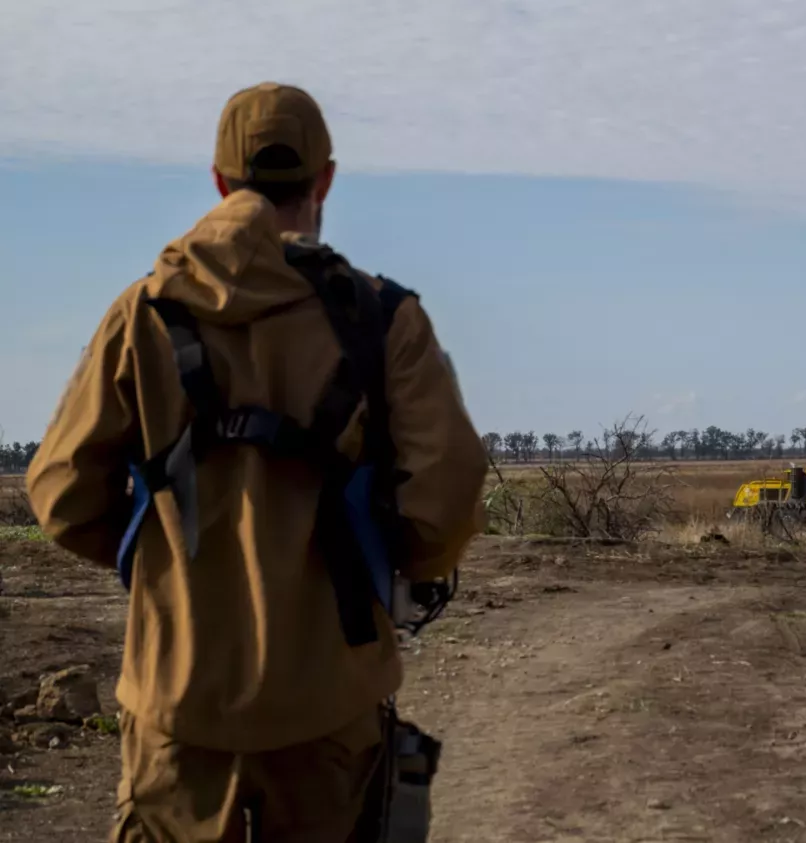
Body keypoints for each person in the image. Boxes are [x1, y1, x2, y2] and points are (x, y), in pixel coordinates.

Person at [25, 82, 489, 842]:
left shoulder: (143, 314)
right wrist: (372, 563)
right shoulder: (383, 318)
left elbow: (63, 494)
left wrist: (165, 560)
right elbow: (445, 501)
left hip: (175, 714)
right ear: (325, 181)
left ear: (218, 181)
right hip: (331, 714)